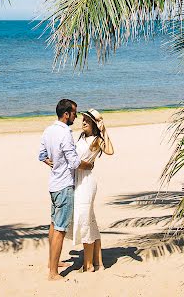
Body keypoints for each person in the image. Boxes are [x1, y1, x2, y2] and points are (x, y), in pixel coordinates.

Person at [39, 99, 94, 281]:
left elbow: (42, 155)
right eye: (74, 113)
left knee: (54, 224)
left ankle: (51, 262)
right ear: (66, 114)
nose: (76, 116)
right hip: (64, 185)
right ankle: (53, 273)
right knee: (61, 229)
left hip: (53, 185)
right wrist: (88, 165)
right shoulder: (65, 133)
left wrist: (51, 163)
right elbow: (74, 162)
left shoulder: (48, 130)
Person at [71, 109, 114, 272]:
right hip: (78, 180)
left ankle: (88, 265)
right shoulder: (81, 137)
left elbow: (110, 151)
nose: (82, 122)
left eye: (86, 121)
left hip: (87, 181)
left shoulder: (97, 139)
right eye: (82, 119)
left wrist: (104, 130)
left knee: (84, 221)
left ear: (94, 124)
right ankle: (99, 263)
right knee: (90, 221)